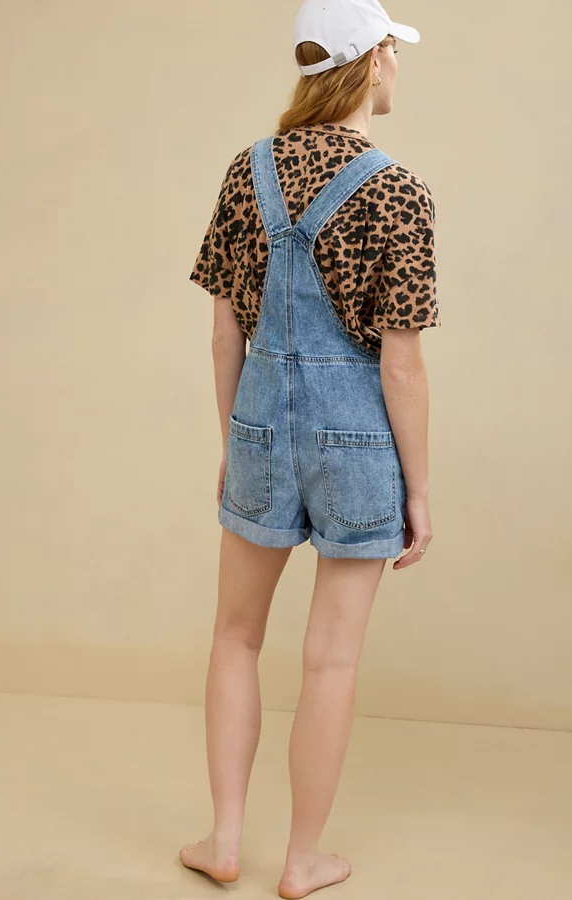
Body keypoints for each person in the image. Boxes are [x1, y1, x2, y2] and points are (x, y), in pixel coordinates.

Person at [182, 1, 437, 896]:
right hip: (356, 440)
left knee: (234, 638)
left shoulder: (246, 170)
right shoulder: (397, 190)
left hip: (258, 424)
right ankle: (301, 861)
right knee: (330, 658)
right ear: (374, 60)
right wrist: (418, 488)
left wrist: (236, 440)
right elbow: (400, 364)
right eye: (393, 53)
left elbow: (225, 334)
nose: (398, 67)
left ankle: (223, 841)